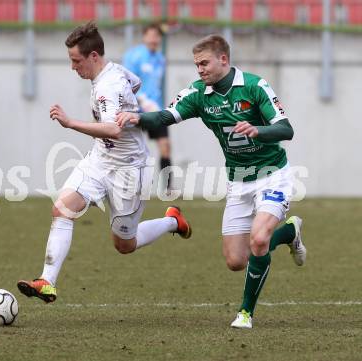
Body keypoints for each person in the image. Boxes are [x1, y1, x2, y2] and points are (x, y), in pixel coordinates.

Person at [116, 34, 307, 329]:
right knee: (236, 261)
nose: (200, 69)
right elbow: (165, 117)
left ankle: (245, 313)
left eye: (204, 63)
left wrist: (258, 130)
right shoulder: (198, 94)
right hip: (238, 181)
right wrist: (136, 117)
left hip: (273, 176)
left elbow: (286, 129)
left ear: (224, 60)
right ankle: (289, 231)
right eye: (197, 65)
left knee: (258, 239)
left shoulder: (255, 86)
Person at [17, 22, 191, 303]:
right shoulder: (116, 72)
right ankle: (46, 281)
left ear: (94, 56)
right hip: (99, 161)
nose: (73, 67)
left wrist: (70, 122)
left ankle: (172, 221)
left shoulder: (105, 88)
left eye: (76, 61)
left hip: (129, 169)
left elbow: (113, 130)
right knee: (62, 209)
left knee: (125, 244)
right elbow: (137, 82)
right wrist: (129, 105)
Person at [122, 23, 172, 191]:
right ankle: (126, 185)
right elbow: (126, 82)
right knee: (131, 150)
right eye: (150, 35)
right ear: (144, 37)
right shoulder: (133, 56)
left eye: (156, 36)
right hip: (135, 110)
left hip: (155, 110)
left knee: (165, 145)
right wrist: (142, 100)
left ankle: (168, 187)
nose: (153, 39)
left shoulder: (160, 59)